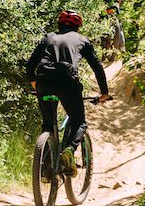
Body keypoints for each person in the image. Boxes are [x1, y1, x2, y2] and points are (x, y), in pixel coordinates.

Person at [26, 10, 110, 176]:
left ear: (59, 25)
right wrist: (104, 92)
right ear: (78, 27)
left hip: (44, 81)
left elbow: (30, 66)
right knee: (79, 122)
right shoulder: (82, 40)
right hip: (67, 83)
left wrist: (37, 86)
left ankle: (46, 169)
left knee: (48, 125)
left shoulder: (48, 38)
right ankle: (69, 151)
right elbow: (97, 67)